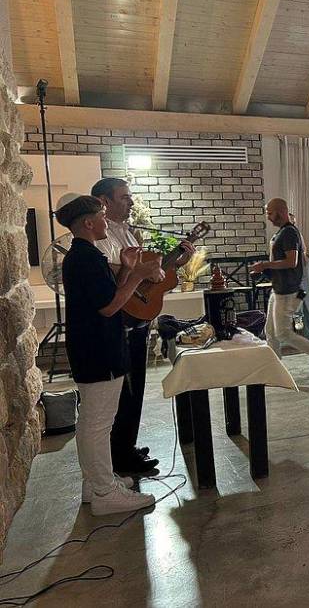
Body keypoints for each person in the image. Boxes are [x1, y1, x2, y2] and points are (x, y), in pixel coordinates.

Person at [56, 194, 161, 515]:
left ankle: (96, 483)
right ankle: (104, 492)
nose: (106, 221)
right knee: (98, 423)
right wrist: (140, 275)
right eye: (102, 216)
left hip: (93, 346)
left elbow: (108, 292)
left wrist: (126, 270)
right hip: (98, 348)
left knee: (92, 420)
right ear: (89, 223)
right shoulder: (86, 258)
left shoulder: (85, 254)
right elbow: (109, 306)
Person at [91, 177, 192, 476]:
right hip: (117, 321)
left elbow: (147, 277)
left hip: (137, 318)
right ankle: (119, 456)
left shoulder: (129, 232)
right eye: (124, 197)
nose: (132, 202)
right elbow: (107, 272)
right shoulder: (98, 235)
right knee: (123, 392)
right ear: (104, 202)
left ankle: (127, 446)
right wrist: (138, 270)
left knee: (137, 389)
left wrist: (176, 263)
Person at [253, 199, 309, 371]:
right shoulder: (281, 233)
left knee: (283, 333)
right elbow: (284, 264)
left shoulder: (289, 232)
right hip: (279, 289)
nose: (268, 217)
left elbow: (292, 262)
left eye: (270, 213)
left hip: (287, 291)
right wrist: (265, 269)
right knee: (271, 332)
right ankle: (275, 370)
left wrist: (265, 265)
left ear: (281, 211)